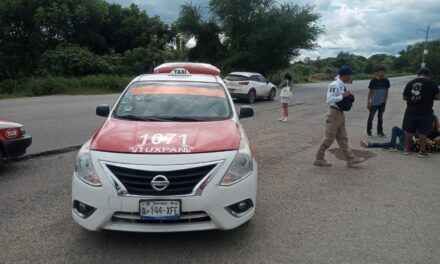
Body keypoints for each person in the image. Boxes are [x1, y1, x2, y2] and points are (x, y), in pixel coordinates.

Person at [314, 66, 366, 167]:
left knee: (343, 138)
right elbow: (329, 99)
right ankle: (319, 159)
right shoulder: (334, 85)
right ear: (345, 75)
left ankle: (351, 159)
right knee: (328, 138)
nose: (351, 77)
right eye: (350, 75)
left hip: (340, 113)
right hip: (334, 114)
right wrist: (343, 96)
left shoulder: (341, 84)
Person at [402, 67, 440, 157]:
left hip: (410, 111)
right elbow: (438, 97)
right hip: (425, 112)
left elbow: (404, 97)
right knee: (423, 132)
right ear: (428, 75)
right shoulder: (432, 84)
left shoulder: (410, 83)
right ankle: (422, 152)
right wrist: (429, 97)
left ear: (418, 74)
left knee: (409, 131)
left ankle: (407, 150)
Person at [360, 115, 440, 152]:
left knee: (393, 140)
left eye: (431, 122)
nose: (429, 123)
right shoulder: (422, 128)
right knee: (395, 132)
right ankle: (371, 145)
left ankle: (392, 145)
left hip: (411, 145)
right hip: (406, 141)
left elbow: (434, 141)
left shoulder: (436, 132)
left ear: (435, 123)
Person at [367, 66, 390, 137]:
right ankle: (369, 131)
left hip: (382, 103)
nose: (383, 73)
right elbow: (370, 92)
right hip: (373, 103)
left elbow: (386, 92)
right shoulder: (373, 81)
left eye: (383, 72)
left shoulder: (386, 81)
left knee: (380, 118)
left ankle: (380, 131)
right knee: (371, 117)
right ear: (377, 73)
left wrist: (385, 101)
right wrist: (368, 102)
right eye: (381, 72)